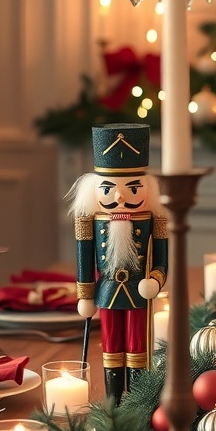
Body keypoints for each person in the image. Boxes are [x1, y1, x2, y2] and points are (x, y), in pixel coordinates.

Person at [68, 123, 167, 403]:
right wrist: (85, 294)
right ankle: (114, 403)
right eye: (109, 190)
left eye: (132, 189)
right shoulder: (89, 222)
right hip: (107, 292)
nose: (120, 197)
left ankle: (136, 401)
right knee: (111, 348)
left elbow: (161, 260)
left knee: (137, 349)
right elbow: (84, 260)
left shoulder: (154, 219)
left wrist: (155, 280)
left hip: (138, 292)